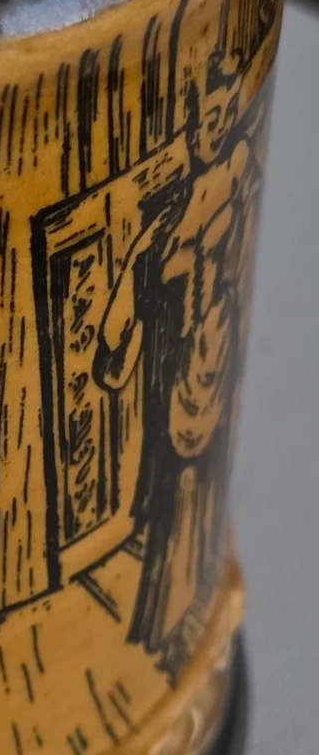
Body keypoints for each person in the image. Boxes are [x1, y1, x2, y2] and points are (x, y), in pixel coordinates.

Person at [94, 51, 262, 681]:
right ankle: (163, 627)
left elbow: (230, 254)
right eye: (201, 121)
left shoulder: (237, 173)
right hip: (171, 370)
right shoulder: (169, 212)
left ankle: (185, 622)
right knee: (170, 493)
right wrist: (119, 345)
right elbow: (132, 292)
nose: (209, 129)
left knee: (196, 485)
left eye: (220, 115)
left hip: (210, 352)